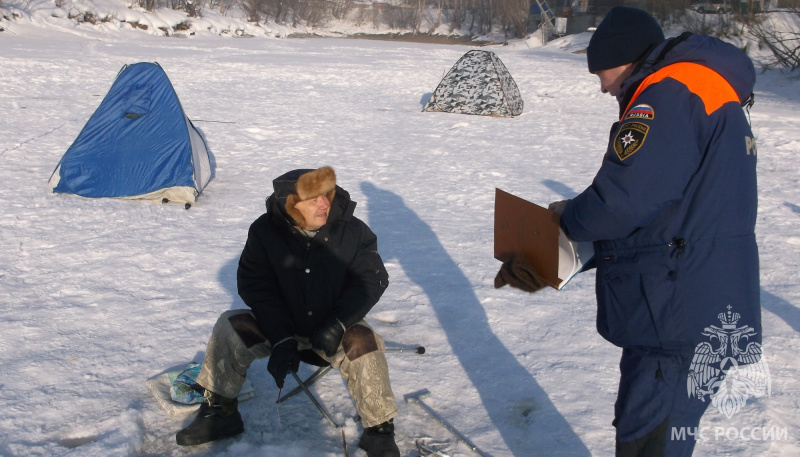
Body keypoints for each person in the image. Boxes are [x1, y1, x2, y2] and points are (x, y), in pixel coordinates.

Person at [549, 7, 761, 457]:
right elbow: (673, 209)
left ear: (622, 58)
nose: (603, 86)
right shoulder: (705, 91)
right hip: (691, 298)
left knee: (651, 439)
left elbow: (625, 199)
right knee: (651, 429)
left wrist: (566, 218)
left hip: (676, 311)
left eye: (601, 72)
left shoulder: (668, 91)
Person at [176, 166, 401, 457]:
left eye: (327, 196)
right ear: (291, 205)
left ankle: (379, 431)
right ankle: (220, 412)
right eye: (314, 199)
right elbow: (255, 285)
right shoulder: (264, 231)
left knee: (363, 340)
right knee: (230, 326)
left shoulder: (353, 231)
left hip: (335, 329)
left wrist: (337, 322)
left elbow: (372, 280)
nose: (324, 204)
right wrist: (281, 337)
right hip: (280, 328)